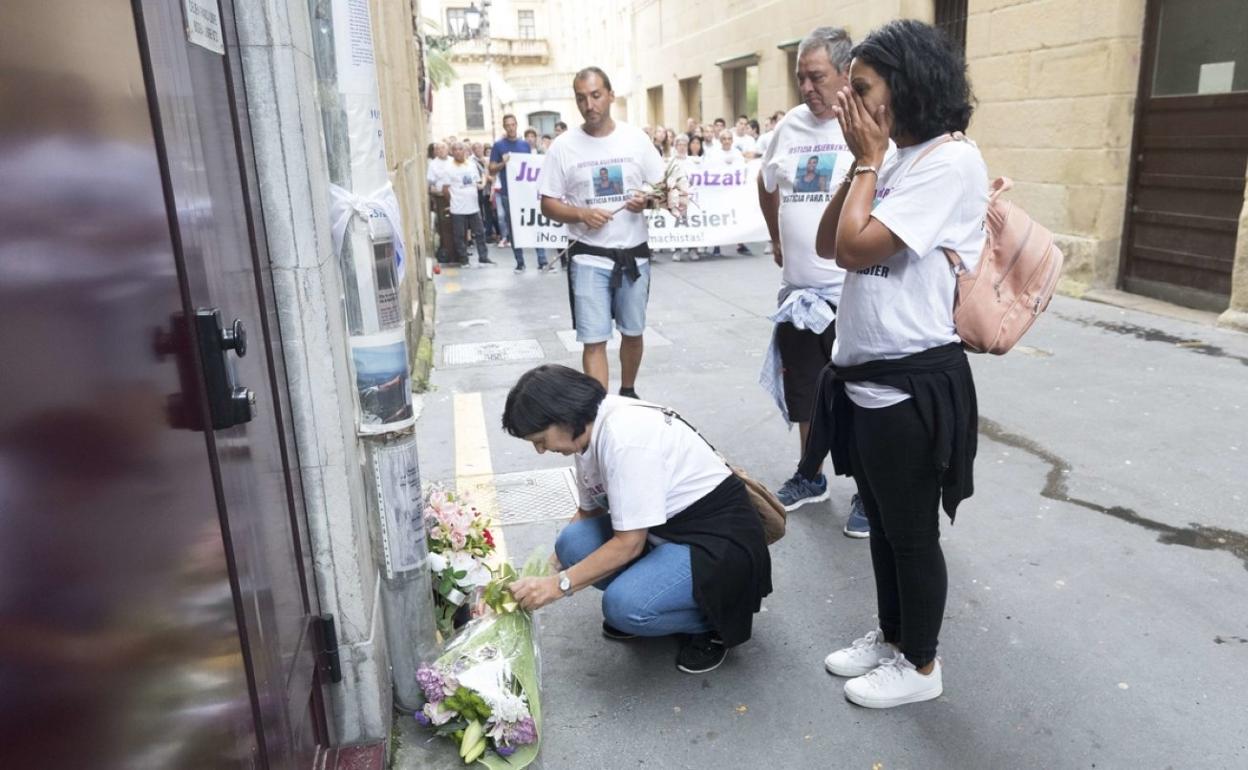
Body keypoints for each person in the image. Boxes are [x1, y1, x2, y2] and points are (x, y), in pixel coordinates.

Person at [809, 19, 986, 709]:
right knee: (881, 523)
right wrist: (866, 162)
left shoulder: (950, 161)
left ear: (905, 87)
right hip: (866, 379)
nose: (846, 101)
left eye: (861, 88)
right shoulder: (893, 157)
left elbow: (857, 251)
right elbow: (828, 242)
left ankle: (921, 664)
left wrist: (869, 162)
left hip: (913, 381)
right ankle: (892, 637)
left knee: (911, 533)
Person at [505, 365, 772, 674]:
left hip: (715, 542)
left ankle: (713, 623)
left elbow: (629, 544)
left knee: (623, 607)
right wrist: (549, 566)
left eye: (540, 439)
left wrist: (557, 585)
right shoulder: (585, 432)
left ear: (564, 417)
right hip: (662, 532)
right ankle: (654, 599)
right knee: (570, 544)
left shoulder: (624, 438)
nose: (540, 450)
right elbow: (589, 511)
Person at [758, 27, 873, 535]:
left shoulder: (866, 124)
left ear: (846, 73)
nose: (806, 87)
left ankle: (869, 491)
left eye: (816, 76)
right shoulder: (789, 127)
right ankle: (810, 475)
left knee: (861, 396)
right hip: (800, 294)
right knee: (805, 391)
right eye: (800, 77)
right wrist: (776, 236)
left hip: (853, 293)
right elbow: (765, 183)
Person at [538, 66, 665, 398]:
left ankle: (628, 392)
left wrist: (645, 200)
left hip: (633, 255)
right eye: (581, 98)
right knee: (593, 339)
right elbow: (548, 203)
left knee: (633, 331)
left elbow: (662, 189)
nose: (589, 105)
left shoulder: (635, 139)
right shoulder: (563, 147)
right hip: (588, 258)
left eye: (595, 96)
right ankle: (601, 406)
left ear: (610, 95)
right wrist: (580, 213)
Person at [490, 114, 550, 273]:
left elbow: (529, 167)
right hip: (508, 193)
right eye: (507, 125)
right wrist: (503, 163)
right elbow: (491, 169)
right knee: (514, 228)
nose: (510, 128)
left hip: (525, 192)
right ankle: (520, 262)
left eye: (513, 124)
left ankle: (542, 260)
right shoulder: (498, 146)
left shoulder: (524, 145)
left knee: (534, 224)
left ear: (516, 125)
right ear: (504, 127)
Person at [446, 142, 495, 267]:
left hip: (473, 206)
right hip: (457, 207)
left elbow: (477, 182)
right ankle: (463, 259)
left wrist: (483, 182)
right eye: (455, 149)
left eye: (460, 149)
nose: (458, 151)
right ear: (452, 152)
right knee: (459, 235)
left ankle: (483, 257)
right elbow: (445, 188)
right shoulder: (449, 167)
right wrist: (451, 200)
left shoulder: (471, 165)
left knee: (480, 232)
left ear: (465, 151)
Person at [426, 141, 454, 263]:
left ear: (447, 149)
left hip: (456, 196)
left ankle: (459, 251)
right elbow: (431, 181)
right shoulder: (433, 164)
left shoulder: (453, 161)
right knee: (445, 225)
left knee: (457, 223)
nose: (441, 150)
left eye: (443, 148)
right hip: (441, 197)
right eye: (439, 148)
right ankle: (448, 252)